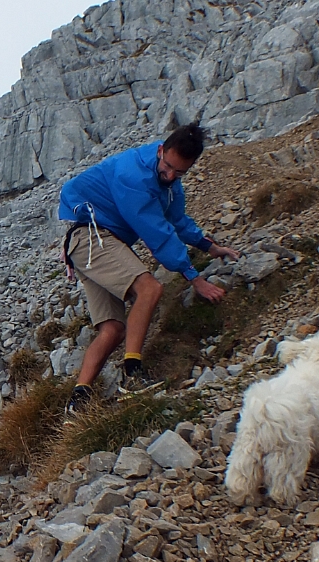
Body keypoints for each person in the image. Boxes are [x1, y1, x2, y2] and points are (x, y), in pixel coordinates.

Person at [56, 122, 240, 420]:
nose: (169, 175)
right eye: (167, 167)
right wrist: (194, 277)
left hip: (91, 243)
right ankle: (133, 373)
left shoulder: (169, 184)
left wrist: (209, 246)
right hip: (92, 237)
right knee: (151, 289)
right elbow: (157, 233)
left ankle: (78, 401)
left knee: (113, 329)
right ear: (160, 150)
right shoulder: (133, 175)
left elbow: (177, 220)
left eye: (179, 173)